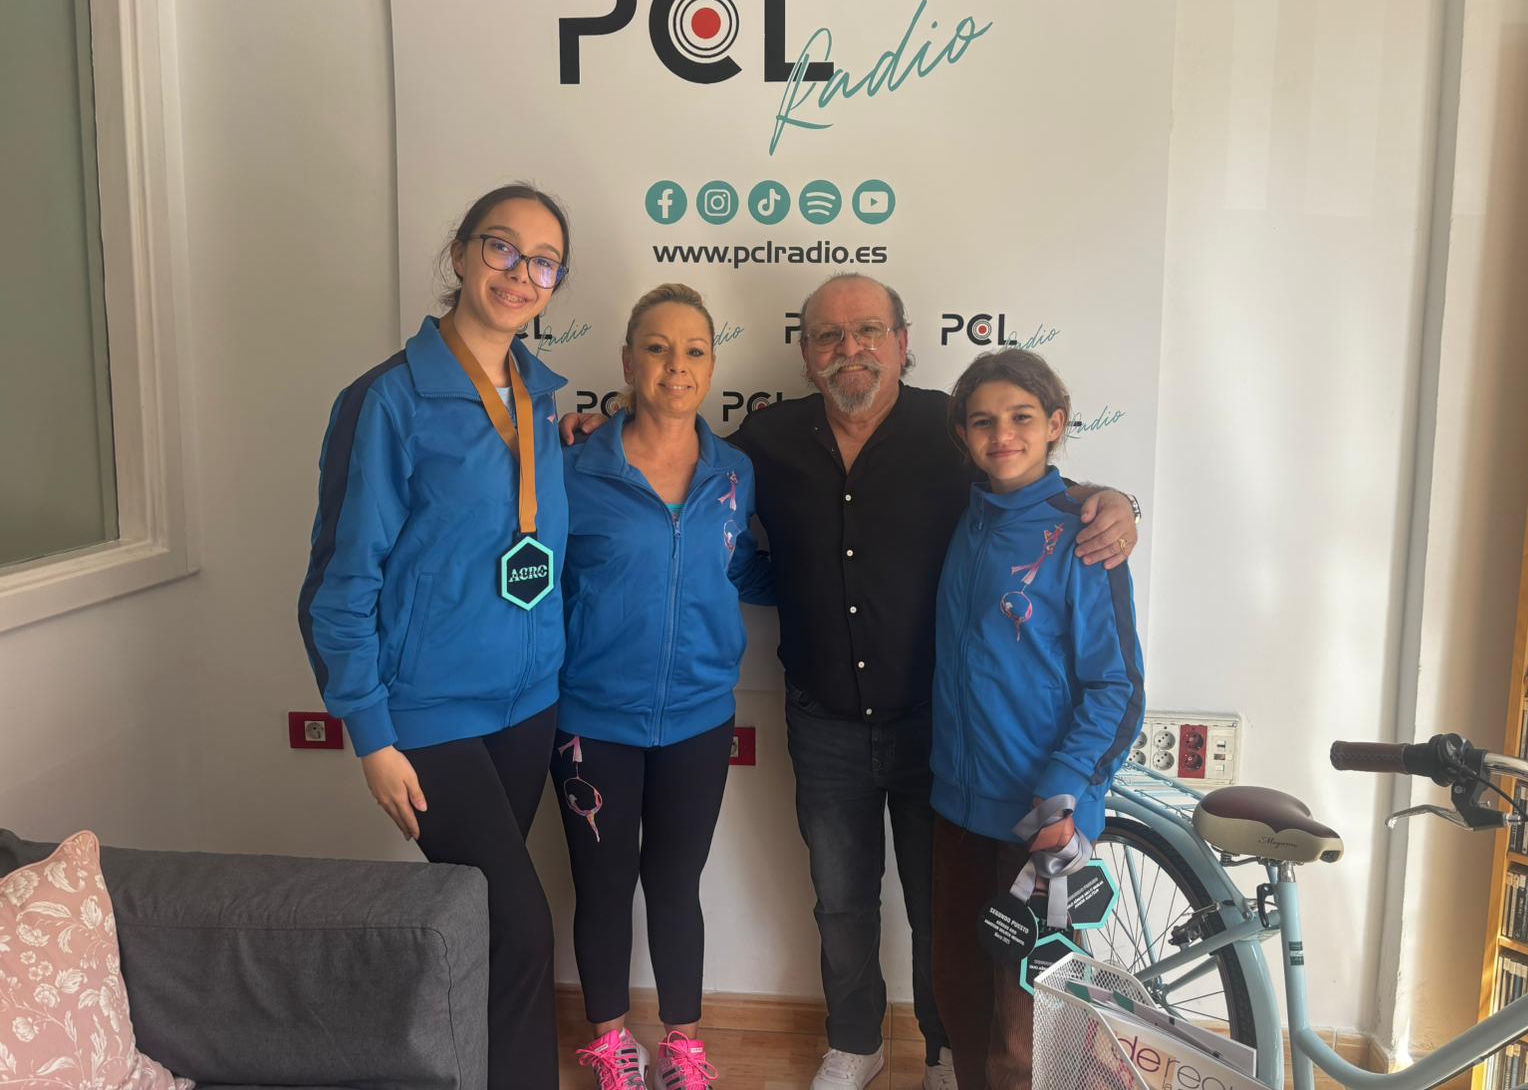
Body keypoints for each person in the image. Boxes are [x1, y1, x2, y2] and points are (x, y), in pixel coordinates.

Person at [565, 273, 1139, 1090]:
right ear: (805, 354)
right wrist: (594, 427)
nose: (850, 350)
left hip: (938, 729)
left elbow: (1027, 483)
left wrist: (1111, 500)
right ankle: (856, 1042)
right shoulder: (764, 441)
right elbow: (680, 466)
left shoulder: (953, 430)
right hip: (823, 717)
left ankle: (943, 1052)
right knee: (840, 901)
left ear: (902, 344)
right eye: (829, 336)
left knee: (941, 913)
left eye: (869, 331)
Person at [298, 182, 573, 1090]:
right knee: (521, 930)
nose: (520, 273)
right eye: (502, 247)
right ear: (460, 253)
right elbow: (338, 587)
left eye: (543, 262)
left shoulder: (540, 399)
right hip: (428, 715)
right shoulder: (387, 400)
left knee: (481, 923)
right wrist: (371, 736)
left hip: (527, 705)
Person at [556, 284, 774, 1090]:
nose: (675, 365)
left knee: (676, 885)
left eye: (692, 350)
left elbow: (737, 567)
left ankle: (683, 1046)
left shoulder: (734, 472)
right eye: (656, 347)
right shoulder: (574, 467)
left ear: (712, 367)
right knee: (603, 886)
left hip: (698, 719)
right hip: (592, 719)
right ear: (627, 361)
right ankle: (612, 1044)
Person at [930, 349, 1145, 1089]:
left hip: (1041, 821)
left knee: (1029, 1034)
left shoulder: (1084, 535)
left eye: (1021, 417)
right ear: (963, 435)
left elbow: (1117, 686)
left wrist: (1064, 793)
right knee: (960, 998)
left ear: (1056, 424)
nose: (1003, 435)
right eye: (983, 421)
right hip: (957, 809)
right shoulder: (968, 519)